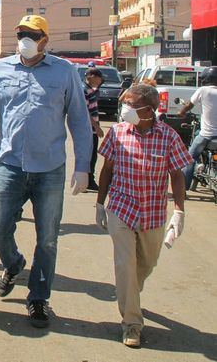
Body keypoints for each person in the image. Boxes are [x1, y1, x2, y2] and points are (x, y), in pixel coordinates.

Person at [0, 15, 92, 328]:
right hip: (9, 164)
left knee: (47, 238)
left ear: (44, 40)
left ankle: (38, 298)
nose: (24, 38)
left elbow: (79, 119)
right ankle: (13, 264)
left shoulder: (64, 72)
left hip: (49, 167)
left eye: (32, 34)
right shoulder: (0, 69)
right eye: (21, 33)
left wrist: (82, 166)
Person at [96, 84, 192, 347]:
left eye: (131, 104)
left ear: (149, 110)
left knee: (146, 264)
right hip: (121, 209)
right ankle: (132, 324)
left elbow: (177, 175)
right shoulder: (116, 133)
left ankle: (130, 296)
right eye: (124, 103)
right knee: (125, 266)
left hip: (152, 213)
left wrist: (179, 212)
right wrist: (99, 203)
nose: (125, 109)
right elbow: (107, 170)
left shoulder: (169, 137)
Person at [179, 66, 217, 190]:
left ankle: (183, 188)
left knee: (189, 158)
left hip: (206, 135)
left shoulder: (203, 90)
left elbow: (189, 105)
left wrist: (182, 112)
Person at [84, 68, 105, 191]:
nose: (100, 81)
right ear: (91, 76)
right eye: (99, 78)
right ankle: (88, 180)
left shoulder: (91, 90)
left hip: (92, 129)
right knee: (89, 156)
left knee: (92, 156)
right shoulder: (85, 90)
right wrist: (96, 127)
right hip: (88, 129)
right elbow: (85, 112)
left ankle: (89, 180)